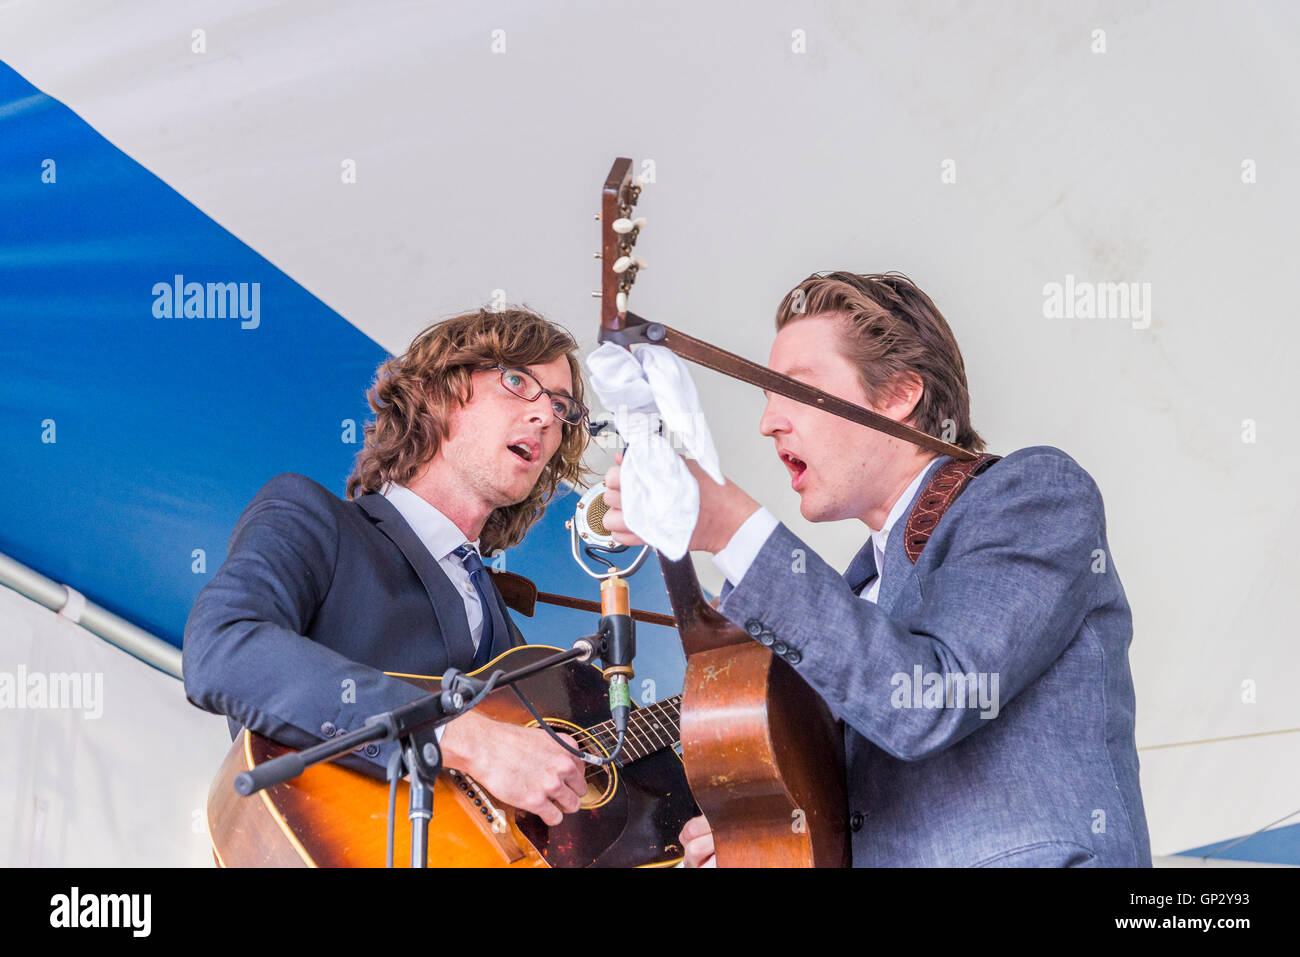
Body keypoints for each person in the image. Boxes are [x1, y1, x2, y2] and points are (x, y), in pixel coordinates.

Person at [602, 271, 1152, 867]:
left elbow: (929, 701)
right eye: (766, 396)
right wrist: (757, 835)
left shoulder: (1034, 494)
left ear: (898, 395)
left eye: (794, 389)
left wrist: (733, 529)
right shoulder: (856, 593)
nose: (768, 422)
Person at [184, 307, 593, 827]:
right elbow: (224, 649)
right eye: (517, 381)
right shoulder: (313, 518)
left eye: (562, 407)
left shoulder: (520, 653)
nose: (545, 416)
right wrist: (458, 736)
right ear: (437, 393)